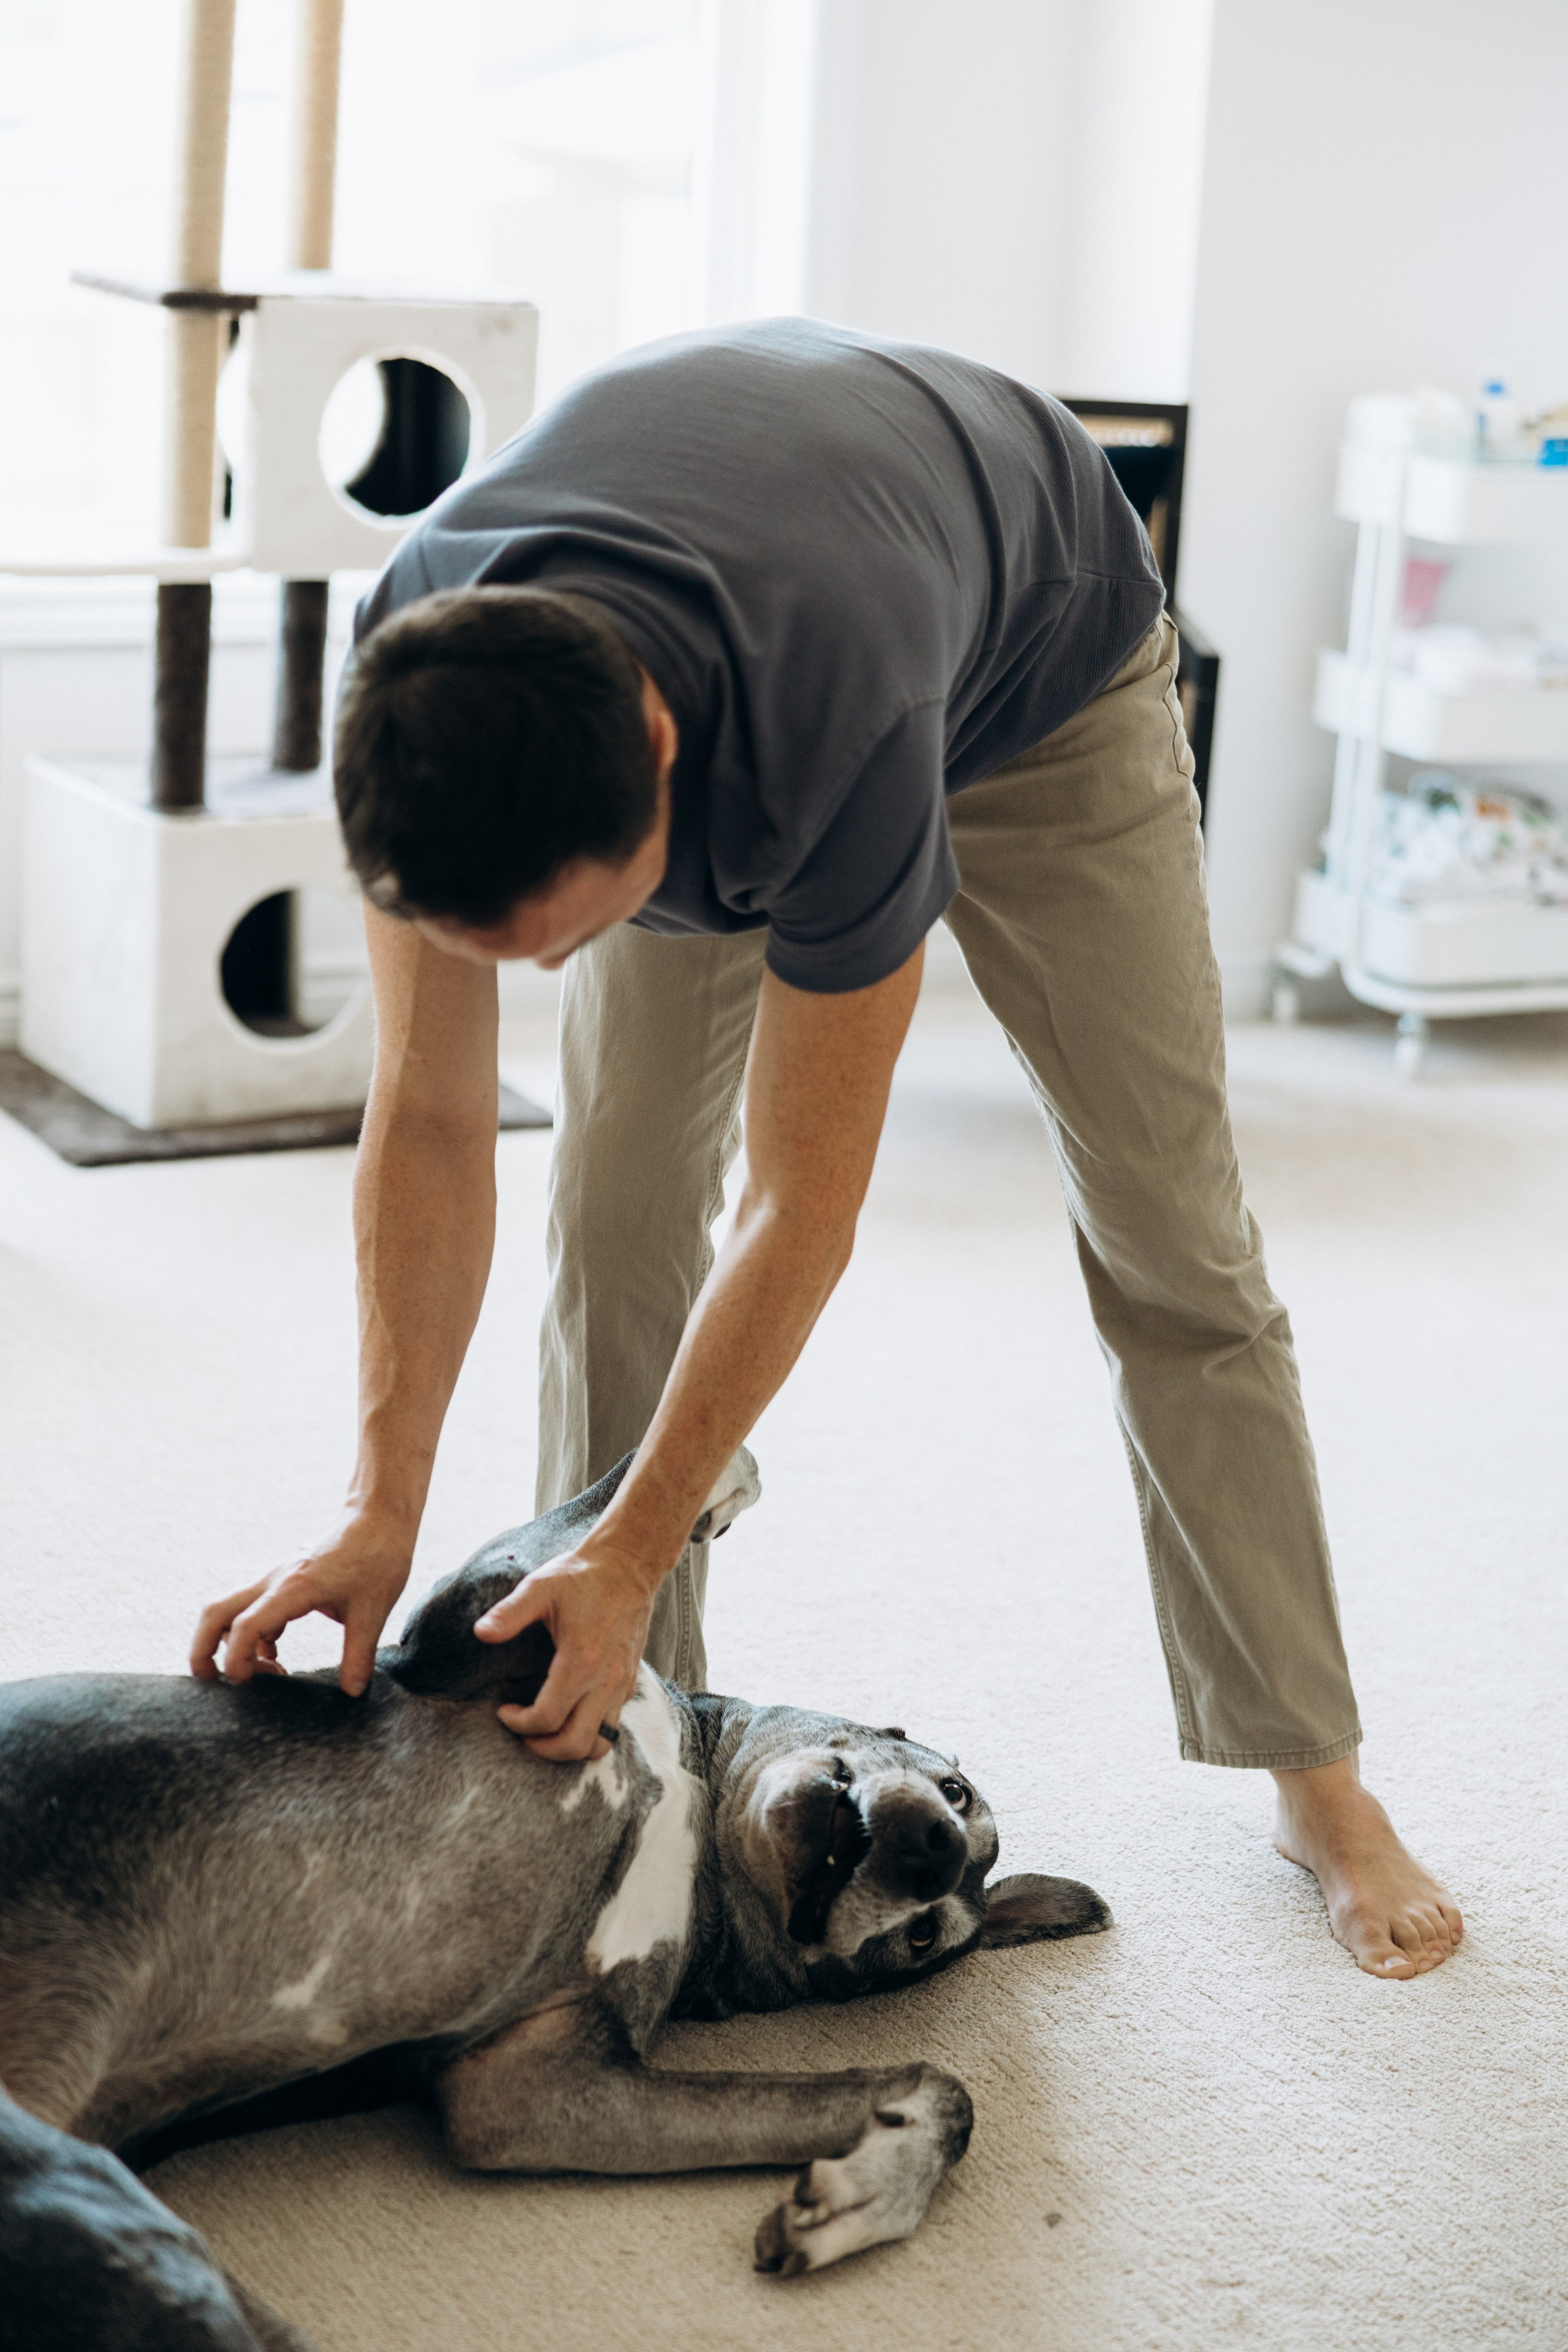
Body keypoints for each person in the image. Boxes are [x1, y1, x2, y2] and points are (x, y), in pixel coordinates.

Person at [192, 319, 1460, 1980]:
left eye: (574, 933)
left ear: (656, 765)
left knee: (1172, 1228)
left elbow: (802, 1208)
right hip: (746, 598)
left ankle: (1316, 1772)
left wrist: (637, 1538)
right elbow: (430, 1116)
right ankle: (624, 1745)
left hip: (1034, 658)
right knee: (616, 1200)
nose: (557, 978)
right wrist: (381, 1509)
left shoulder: (840, 715)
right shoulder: (424, 693)